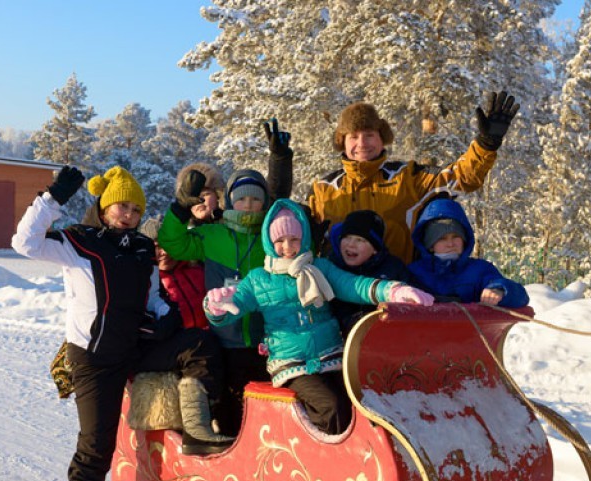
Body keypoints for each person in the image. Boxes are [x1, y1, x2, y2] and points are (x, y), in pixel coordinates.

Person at [11, 165, 229, 481]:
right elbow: (24, 242)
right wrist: (53, 197)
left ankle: (198, 429)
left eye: (135, 209)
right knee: (97, 444)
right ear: (104, 207)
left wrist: (166, 318)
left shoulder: (143, 248)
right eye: (121, 206)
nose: (128, 215)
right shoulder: (79, 242)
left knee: (198, 344)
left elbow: (154, 297)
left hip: (134, 348)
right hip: (94, 359)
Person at [204, 199, 433, 435]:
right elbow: (235, 304)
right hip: (292, 363)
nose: (288, 247)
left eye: (294, 239)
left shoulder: (319, 268)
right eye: (280, 241)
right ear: (269, 242)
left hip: (331, 355)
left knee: (363, 401)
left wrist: (393, 291)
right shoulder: (258, 279)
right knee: (330, 406)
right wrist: (217, 306)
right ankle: (326, 454)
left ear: (304, 239)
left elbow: (354, 285)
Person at [157, 120, 293, 436]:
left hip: (266, 338)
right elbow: (173, 242)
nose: (248, 205)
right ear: (230, 201)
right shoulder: (213, 235)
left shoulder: (270, 235)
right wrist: (181, 207)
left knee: (266, 407)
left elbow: (281, 201)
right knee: (230, 405)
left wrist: (280, 161)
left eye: (255, 199)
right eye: (241, 199)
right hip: (225, 337)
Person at [308, 92, 520, 262]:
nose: (362, 144)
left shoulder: (409, 177)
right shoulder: (323, 189)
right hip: (339, 292)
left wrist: (486, 145)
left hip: (401, 289)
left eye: (369, 135)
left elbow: (461, 178)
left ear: (382, 139)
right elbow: (296, 236)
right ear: (342, 142)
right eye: (353, 137)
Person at [408, 195, 529, 307]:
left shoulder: (480, 270)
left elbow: (521, 297)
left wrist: (499, 290)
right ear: (430, 245)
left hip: (473, 324)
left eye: (456, 236)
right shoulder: (414, 272)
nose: (450, 244)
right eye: (442, 238)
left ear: (464, 239)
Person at [325, 209, 412, 335]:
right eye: (347, 237)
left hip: (384, 334)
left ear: (375, 249)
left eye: (360, 240)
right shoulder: (331, 266)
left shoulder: (393, 268)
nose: (351, 244)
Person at [138, 217, 209, 330]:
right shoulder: (148, 285)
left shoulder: (198, 267)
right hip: (178, 339)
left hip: (213, 336)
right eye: (157, 247)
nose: (165, 252)